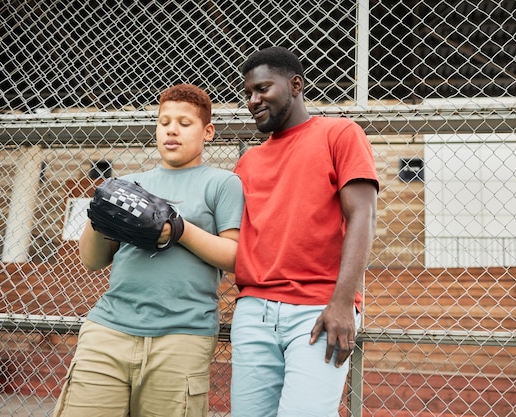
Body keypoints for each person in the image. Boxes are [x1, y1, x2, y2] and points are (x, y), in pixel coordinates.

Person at [53, 83, 244, 417]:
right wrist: (98, 215)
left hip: (182, 335)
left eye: (185, 123)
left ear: (208, 132)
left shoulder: (222, 183)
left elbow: (234, 257)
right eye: (164, 121)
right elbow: (92, 261)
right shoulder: (127, 183)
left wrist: (179, 230)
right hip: (109, 329)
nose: (172, 129)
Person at [230, 46, 379, 417]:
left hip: (318, 310)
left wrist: (344, 302)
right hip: (254, 312)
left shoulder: (339, 133)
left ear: (295, 85)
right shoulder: (247, 162)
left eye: (262, 88)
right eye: (248, 93)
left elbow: (364, 214)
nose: (253, 100)